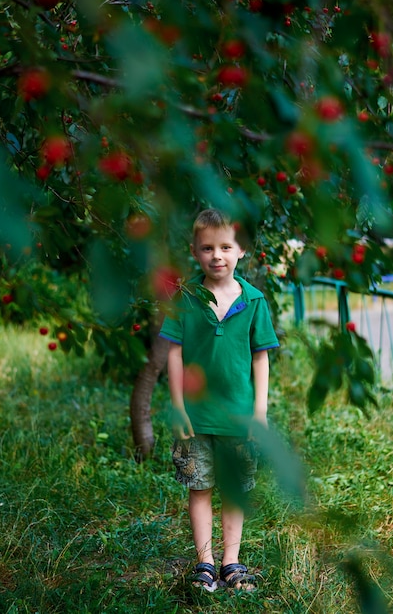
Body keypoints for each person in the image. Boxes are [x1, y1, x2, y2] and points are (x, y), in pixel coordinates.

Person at [159, 208, 279, 592]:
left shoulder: (255, 300)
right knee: (200, 488)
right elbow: (174, 353)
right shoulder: (186, 297)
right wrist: (177, 405)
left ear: (241, 250)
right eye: (207, 248)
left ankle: (231, 562)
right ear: (195, 252)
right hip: (196, 416)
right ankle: (205, 564)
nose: (217, 255)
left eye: (226, 246)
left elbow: (261, 357)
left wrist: (259, 412)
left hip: (239, 418)